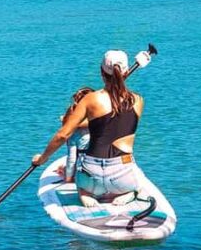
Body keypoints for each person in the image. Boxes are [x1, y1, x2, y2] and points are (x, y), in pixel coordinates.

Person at [32, 50, 146, 207]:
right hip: (122, 175)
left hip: (91, 175)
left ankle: (85, 194)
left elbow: (63, 135)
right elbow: (115, 118)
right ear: (126, 72)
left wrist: (42, 159)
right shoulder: (138, 101)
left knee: (84, 185)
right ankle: (130, 192)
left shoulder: (90, 100)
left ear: (101, 72)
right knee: (136, 182)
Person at [57, 87, 93, 183]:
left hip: (78, 142)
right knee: (74, 158)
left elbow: (66, 124)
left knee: (74, 158)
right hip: (77, 141)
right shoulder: (74, 109)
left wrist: (69, 122)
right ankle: (67, 175)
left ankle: (67, 174)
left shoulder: (74, 110)